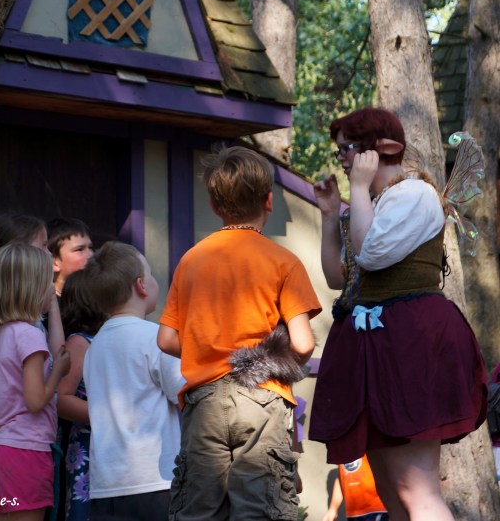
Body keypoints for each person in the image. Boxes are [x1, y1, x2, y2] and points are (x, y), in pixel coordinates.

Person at [309, 107, 487, 521]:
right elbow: (338, 278)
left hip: (411, 345)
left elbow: (370, 254)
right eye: (340, 152)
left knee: (416, 489)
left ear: (381, 149)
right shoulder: (374, 204)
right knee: (391, 491)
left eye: (348, 150)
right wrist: (330, 215)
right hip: (378, 349)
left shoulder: (415, 195)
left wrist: (357, 188)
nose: (343, 160)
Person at [157, 144, 322, 521]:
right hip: (262, 399)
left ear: (214, 205)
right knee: (260, 511)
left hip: (204, 404)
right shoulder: (284, 262)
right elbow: (303, 344)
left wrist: (205, 347)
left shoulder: (191, 260)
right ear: (268, 200)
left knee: (199, 511)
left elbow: (166, 339)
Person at [83, 241, 183, 521]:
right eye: (150, 273)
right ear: (141, 285)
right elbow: (184, 393)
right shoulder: (154, 338)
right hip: (155, 480)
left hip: (105, 484)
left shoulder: (95, 346)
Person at [0, 243, 71, 519]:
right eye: (47, 282)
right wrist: (58, 371)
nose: (52, 289)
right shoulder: (30, 335)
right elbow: (35, 401)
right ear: (31, 288)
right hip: (26, 450)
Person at [57, 267, 107, 521]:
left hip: (109, 443)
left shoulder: (104, 338)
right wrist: (107, 417)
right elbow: (61, 398)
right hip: (89, 444)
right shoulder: (80, 342)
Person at [322, 455, 388, 521]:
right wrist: (333, 509)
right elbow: (341, 479)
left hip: (376, 509)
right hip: (353, 513)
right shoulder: (340, 452)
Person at [47, 217, 94, 298]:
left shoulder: (98, 297)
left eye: (90, 247)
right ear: (54, 262)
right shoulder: (47, 303)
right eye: (79, 249)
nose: (91, 255)